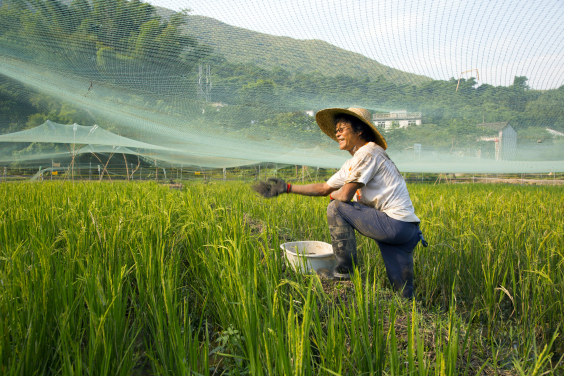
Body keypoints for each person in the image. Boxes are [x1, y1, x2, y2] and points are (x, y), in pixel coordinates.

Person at [253, 107, 425, 299]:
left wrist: (335, 196)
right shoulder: (354, 162)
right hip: (406, 230)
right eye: (336, 129)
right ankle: (410, 316)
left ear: (359, 130)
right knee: (403, 293)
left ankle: (345, 273)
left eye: (342, 128)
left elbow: (344, 196)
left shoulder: (368, 152)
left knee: (337, 208)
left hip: (393, 224)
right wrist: (287, 188)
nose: (337, 133)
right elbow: (324, 188)